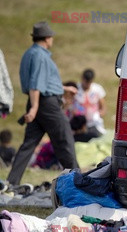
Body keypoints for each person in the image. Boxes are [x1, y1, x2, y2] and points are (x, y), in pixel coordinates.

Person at [6, 21, 78, 186]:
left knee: (28, 145)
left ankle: (11, 182)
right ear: (47, 38)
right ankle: (77, 181)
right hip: (45, 104)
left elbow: (42, 82)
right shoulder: (40, 56)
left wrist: (65, 87)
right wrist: (35, 107)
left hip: (38, 101)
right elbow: (36, 84)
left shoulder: (29, 53)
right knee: (64, 139)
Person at [75, 68, 106, 139]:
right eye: (86, 82)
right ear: (82, 79)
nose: (87, 84)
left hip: (94, 123)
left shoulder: (97, 89)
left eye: (89, 82)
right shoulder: (76, 89)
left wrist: (99, 114)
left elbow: (103, 106)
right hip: (79, 125)